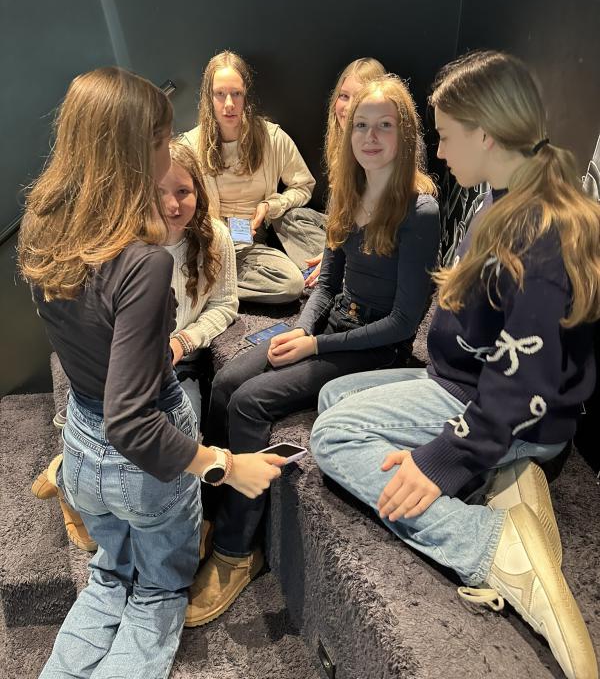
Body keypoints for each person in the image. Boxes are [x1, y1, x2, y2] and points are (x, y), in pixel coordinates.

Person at [310, 51, 599, 679]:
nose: (438, 152)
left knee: (331, 436)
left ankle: (492, 546)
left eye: (445, 136)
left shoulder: (539, 232)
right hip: (461, 380)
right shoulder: (504, 194)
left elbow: (525, 384)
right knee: (335, 399)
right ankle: (499, 478)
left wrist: (446, 458)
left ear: (485, 133)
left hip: (504, 412)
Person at [19, 67, 286, 679]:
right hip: (142, 469)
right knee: (158, 593)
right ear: (134, 149)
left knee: (107, 579)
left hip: (80, 447)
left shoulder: (42, 226)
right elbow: (133, 423)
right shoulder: (142, 264)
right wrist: (226, 464)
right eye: (164, 139)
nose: (172, 152)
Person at [185, 74, 440, 627]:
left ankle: (236, 549)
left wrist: (316, 343)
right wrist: (300, 331)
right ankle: (209, 510)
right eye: (361, 125)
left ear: (405, 133)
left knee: (251, 402)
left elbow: (403, 324)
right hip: (333, 325)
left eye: (384, 126)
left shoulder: (419, 210)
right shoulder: (350, 189)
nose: (370, 137)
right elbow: (326, 284)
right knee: (226, 383)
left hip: (376, 348)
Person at [180, 50, 315, 304]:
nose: (229, 104)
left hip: (250, 244)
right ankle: (206, 281)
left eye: (236, 93)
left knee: (292, 285)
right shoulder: (190, 145)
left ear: (247, 95)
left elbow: (304, 185)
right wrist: (213, 231)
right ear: (209, 97)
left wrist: (270, 206)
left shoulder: (272, 138)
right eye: (220, 94)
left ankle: (207, 287)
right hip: (208, 241)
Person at [274, 57, 386, 285]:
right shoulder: (341, 143)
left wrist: (338, 253)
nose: (348, 107)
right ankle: (332, 268)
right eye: (344, 96)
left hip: (379, 238)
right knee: (288, 217)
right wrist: (332, 249)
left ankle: (339, 271)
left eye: (359, 98)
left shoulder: (381, 144)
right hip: (349, 233)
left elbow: (379, 222)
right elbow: (341, 217)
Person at [160, 139, 238, 426]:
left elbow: (225, 304)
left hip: (183, 364)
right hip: (130, 365)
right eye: (159, 192)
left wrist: (183, 341)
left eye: (183, 191)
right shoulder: (128, 240)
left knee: (184, 433)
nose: (172, 205)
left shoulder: (216, 237)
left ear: (198, 192)